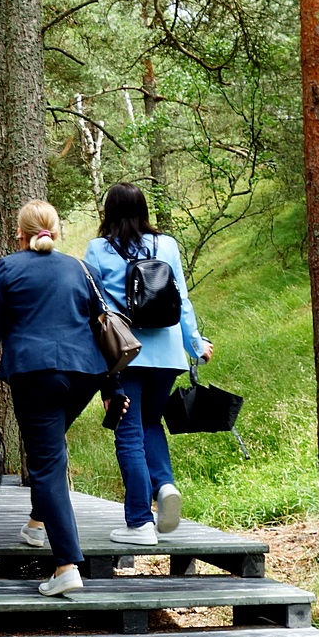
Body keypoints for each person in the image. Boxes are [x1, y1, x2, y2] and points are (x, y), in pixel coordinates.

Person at [0, 199, 127, 597]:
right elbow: (103, 327)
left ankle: (66, 565)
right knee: (48, 451)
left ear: (19, 233)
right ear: (56, 230)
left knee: (47, 460)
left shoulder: (8, 268)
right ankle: (37, 523)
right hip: (85, 375)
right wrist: (112, 388)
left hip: (35, 375)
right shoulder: (80, 268)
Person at [84, 183, 213, 545]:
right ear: (143, 210)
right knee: (150, 422)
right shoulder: (166, 245)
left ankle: (139, 522)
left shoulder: (98, 249)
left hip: (125, 353)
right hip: (167, 354)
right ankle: (165, 485)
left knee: (128, 433)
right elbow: (181, 300)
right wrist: (195, 344)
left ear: (108, 212)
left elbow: (94, 306)